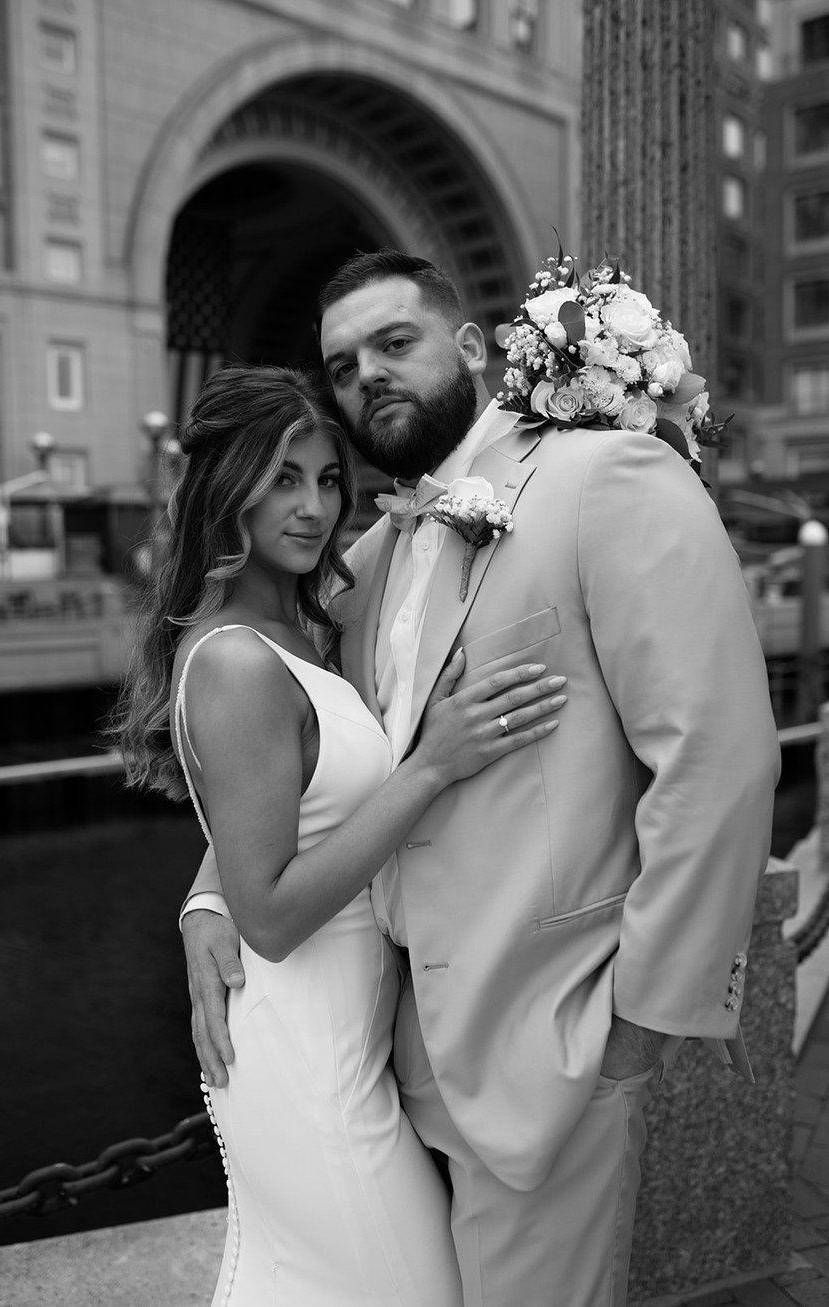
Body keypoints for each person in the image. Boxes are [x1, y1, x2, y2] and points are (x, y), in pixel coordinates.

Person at [181, 253, 780, 1306]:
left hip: (554, 1047)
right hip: (398, 1058)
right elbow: (294, 757)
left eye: (394, 342)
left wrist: (636, 1027)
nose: (367, 372)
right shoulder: (367, 553)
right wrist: (206, 893)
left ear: (469, 348)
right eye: (343, 362)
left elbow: (716, 759)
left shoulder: (609, 478)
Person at [114, 363, 567, 1306]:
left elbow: (277, 818)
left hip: (348, 1047)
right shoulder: (237, 661)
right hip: (302, 1059)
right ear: (225, 484)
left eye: (328, 478)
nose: (314, 506)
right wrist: (432, 766)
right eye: (283, 477)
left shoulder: (295, 629)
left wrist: (203, 896)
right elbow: (271, 914)